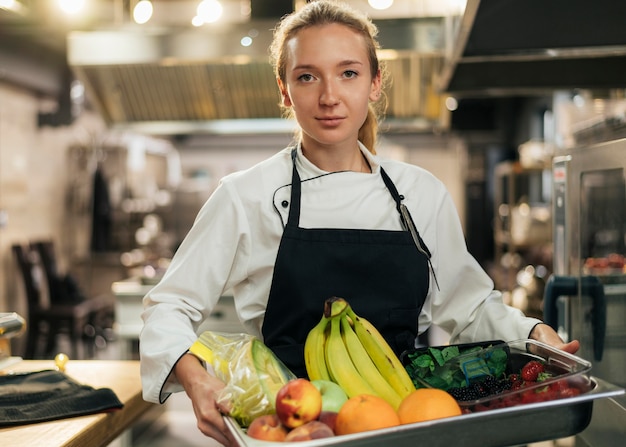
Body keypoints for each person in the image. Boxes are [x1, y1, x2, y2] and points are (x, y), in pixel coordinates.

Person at [139, 1, 579, 445]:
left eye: (348, 73)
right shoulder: (245, 196)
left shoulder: (419, 194)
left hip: (406, 418)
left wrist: (534, 334)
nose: (329, 96)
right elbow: (169, 306)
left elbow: (471, 306)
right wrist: (197, 382)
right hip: (291, 428)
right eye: (307, 76)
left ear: (374, 83)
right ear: (285, 90)